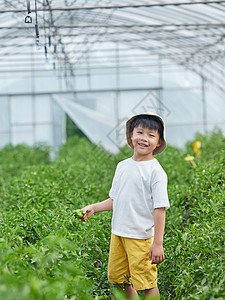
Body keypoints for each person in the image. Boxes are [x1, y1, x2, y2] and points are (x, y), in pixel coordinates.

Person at [81, 112, 170, 299]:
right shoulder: (122, 166)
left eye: (151, 135)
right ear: (131, 135)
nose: (144, 138)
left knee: (146, 282)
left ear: (159, 142)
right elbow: (116, 199)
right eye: (140, 132)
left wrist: (158, 243)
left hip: (141, 237)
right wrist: (94, 208)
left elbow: (159, 209)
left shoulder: (156, 172)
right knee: (119, 280)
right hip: (119, 234)